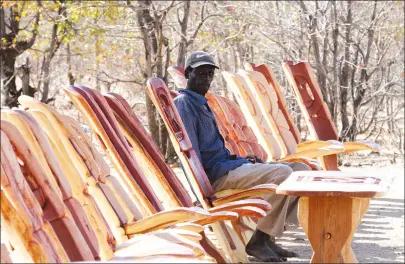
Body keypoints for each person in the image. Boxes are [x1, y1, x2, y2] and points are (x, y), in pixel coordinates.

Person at [174, 51, 311, 262]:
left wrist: (244, 160)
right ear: (188, 73)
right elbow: (191, 154)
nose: (206, 78)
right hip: (217, 176)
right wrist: (202, 191)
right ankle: (258, 241)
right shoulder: (185, 103)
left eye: (210, 74)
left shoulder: (203, 102)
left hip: (228, 166)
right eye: (201, 73)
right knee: (284, 173)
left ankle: (269, 239)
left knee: (302, 170)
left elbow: (218, 151)